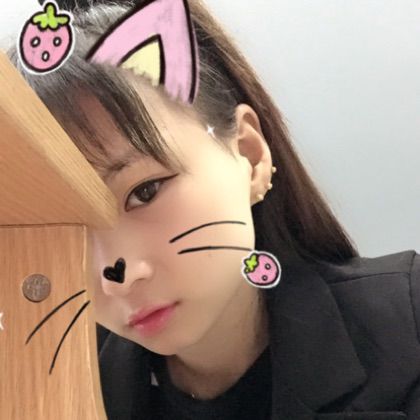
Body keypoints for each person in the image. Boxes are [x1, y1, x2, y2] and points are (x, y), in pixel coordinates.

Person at [7, 1, 420, 419]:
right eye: (72, 228)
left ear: (250, 155)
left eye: (145, 191)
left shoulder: (408, 324)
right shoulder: (53, 389)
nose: (118, 276)